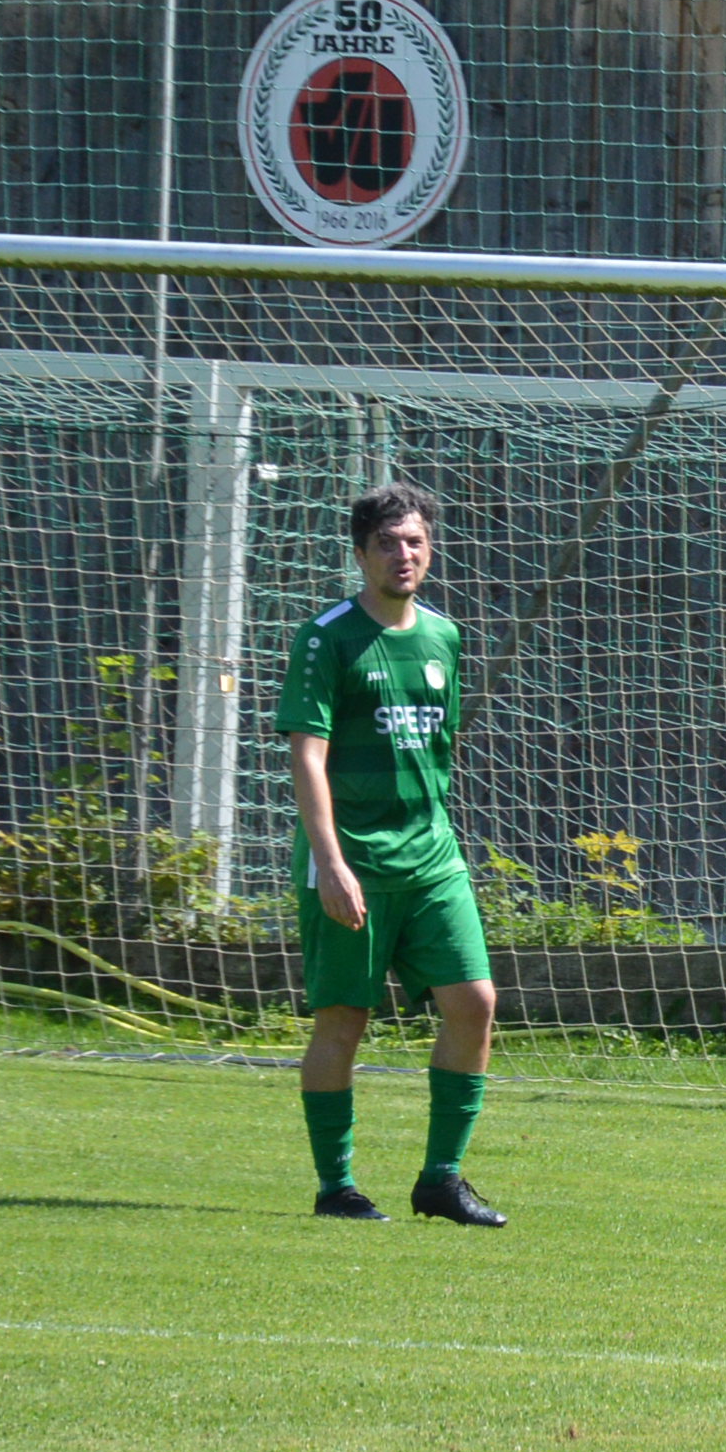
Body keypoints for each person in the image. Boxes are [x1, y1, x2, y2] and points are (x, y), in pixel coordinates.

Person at [279, 485, 506, 1228]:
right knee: (344, 1018)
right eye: (386, 543)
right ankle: (336, 1187)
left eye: (414, 542)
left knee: (475, 1003)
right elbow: (307, 756)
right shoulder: (327, 638)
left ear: (429, 550)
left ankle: (441, 1180)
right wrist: (330, 862)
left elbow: (437, 747)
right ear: (360, 553)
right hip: (353, 859)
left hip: (432, 855)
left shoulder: (445, 637)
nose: (402, 555)